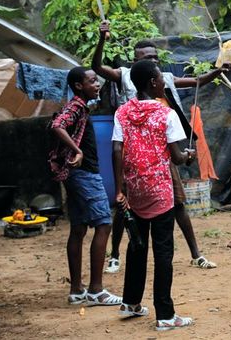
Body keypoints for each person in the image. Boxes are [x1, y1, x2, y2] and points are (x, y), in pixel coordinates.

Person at [92, 23, 222, 272]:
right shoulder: (125, 76)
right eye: (147, 57)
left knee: (178, 202)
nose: (153, 61)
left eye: (155, 57)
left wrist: (219, 70)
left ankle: (196, 254)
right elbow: (97, 67)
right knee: (124, 206)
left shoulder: (166, 81)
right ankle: (116, 255)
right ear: (135, 60)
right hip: (135, 154)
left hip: (161, 153)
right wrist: (101, 38)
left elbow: (197, 81)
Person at [112, 60, 196, 330]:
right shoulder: (165, 114)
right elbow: (176, 156)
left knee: (137, 245)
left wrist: (119, 188)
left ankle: (131, 303)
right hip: (159, 189)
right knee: (163, 253)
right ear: (152, 82)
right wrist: (187, 157)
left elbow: (116, 150)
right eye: (161, 78)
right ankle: (165, 316)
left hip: (134, 189)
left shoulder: (123, 112)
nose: (164, 82)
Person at [49, 66, 121, 307]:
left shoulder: (81, 107)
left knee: (78, 228)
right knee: (104, 224)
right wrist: (77, 150)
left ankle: (76, 290)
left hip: (74, 175)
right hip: (84, 175)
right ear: (79, 86)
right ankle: (96, 290)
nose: (97, 84)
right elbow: (57, 125)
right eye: (92, 81)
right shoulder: (76, 106)